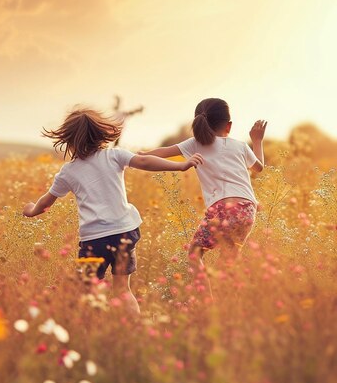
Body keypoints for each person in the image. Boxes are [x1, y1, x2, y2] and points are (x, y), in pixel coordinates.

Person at [22, 107, 203, 315]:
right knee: (122, 288)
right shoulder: (114, 155)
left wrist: (31, 210)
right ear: (101, 133)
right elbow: (144, 161)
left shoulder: (68, 172)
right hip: (124, 233)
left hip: (94, 241)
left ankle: (94, 328)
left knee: (88, 289)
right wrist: (180, 166)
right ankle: (133, 329)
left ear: (69, 140)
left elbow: (47, 201)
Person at [139, 98, 267, 271]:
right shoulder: (241, 146)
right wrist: (257, 140)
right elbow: (259, 167)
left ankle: (208, 296)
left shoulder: (195, 144)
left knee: (194, 255)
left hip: (222, 208)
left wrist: (141, 155)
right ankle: (226, 295)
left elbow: (163, 152)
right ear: (228, 126)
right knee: (228, 262)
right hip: (247, 210)